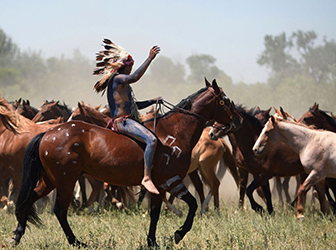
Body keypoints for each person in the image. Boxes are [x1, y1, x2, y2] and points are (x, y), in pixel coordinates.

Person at [93, 39, 161, 194]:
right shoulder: (118, 79)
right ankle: (146, 178)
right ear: (127, 66)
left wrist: (152, 101)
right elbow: (136, 77)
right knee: (152, 140)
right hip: (123, 122)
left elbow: (134, 106)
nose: (132, 69)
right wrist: (150, 58)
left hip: (128, 120)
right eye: (131, 66)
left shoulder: (122, 83)